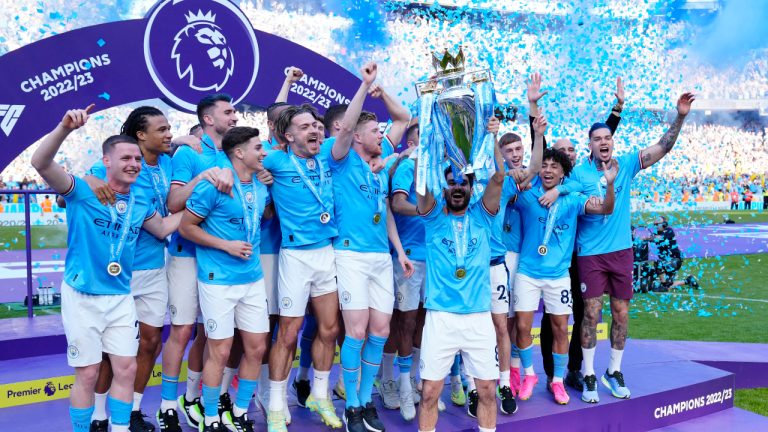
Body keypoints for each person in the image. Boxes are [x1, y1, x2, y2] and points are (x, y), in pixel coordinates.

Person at [30, 105, 181, 432]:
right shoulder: (82, 191)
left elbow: (164, 228)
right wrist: (64, 128)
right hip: (82, 296)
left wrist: (201, 199)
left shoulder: (140, 203)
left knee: (125, 369)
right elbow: (40, 163)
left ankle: (121, 428)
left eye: (137, 160)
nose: (134, 164)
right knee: (87, 373)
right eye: (126, 158)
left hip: (119, 297)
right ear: (106, 162)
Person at [415, 111, 537, 432]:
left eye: (463, 183)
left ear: (471, 188)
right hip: (440, 318)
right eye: (452, 182)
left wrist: (492, 136)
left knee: (486, 391)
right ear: (444, 188)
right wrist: (428, 142)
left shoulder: (483, 217)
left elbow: (498, 177)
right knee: (429, 394)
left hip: (478, 319)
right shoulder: (433, 219)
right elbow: (421, 187)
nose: (457, 187)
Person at [572, 92, 695, 404]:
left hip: (621, 252)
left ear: (613, 142)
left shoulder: (627, 164)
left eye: (607, 137)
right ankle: (588, 374)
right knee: (591, 312)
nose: (604, 141)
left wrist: (680, 116)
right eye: (597, 138)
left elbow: (662, 147)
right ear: (590, 144)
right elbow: (587, 207)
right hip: (590, 253)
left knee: (622, 312)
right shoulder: (579, 173)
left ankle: (613, 371)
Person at [329, 62, 416, 432]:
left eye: (380, 132)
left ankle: (365, 401)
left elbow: (404, 117)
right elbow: (347, 126)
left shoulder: (380, 164)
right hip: (349, 254)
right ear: (357, 137)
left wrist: (399, 250)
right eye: (374, 131)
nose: (381, 135)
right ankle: (351, 406)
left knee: (381, 331)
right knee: (358, 332)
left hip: (381, 257)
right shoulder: (342, 159)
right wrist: (365, 86)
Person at [86, 106, 175, 432]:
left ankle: (134, 410)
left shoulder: (168, 160)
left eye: (169, 129)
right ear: (141, 135)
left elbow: (163, 223)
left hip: (155, 267)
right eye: (162, 129)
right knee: (113, 350)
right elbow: (88, 179)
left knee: (151, 342)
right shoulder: (119, 160)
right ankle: (99, 415)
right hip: (120, 271)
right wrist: (92, 179)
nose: (168, 134)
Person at [179, 126, 272, 432]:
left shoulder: (261, 184)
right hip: (218, 279)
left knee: (257, 347)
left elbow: (261, 214)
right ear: (239, 153)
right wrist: (226, 245)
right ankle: (210, 416)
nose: (264, 153)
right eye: (258, 148)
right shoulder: (213, 186)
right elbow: (186, 227)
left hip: (252, 278)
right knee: (219, 349)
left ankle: (240, 410)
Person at [538, 77, 625, 394]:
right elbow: (541, 147)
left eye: (574, 149)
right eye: (564, 151)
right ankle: (551, 373)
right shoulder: (550, 177)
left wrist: (616, 109)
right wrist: (537, 116)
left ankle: (573, 369)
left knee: (576, 314)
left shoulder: (579, 176)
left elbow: (603, 140)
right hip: (552, 258)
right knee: (552, 317)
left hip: (580, 255)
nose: (571, 154)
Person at [513, 146, 616, 405]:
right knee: (523, 327)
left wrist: (610, 185)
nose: (548, 170)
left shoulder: (572, 200)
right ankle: (528, 375)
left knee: (561, 329)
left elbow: (605, 208)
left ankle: (557, 381)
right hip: (527, 273)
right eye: (544, 165)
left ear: (563, 174)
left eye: (554, 167)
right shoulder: (527, 196)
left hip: (558, 276)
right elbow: (504, 190)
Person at [162, 94, 242, 430]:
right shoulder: (189, 152)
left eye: (235, 111)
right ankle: (167, 405)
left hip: (219, 259)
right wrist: (202, 177)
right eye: (228, 112)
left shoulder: (233, 154)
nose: (235, 116)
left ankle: (192, 398)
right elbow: (173, 202)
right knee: (181, 331)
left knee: (213, 334)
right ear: (208, 119)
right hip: (186, 255)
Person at [262, 103, 342, 432]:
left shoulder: (326, 153)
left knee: (329, 329)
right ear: (287, 135)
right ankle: (276, 405)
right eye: (305, 127)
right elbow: (234, 157)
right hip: (294, 256)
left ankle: (320, 395)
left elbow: (355, 132)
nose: (314, 130)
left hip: (326, 252)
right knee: (288, 333)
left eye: (315, 125)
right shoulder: (275, 159)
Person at [650, 216, 699, 291]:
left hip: (674, 261)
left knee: (658, 264)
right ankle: (688, 281)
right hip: (667, 261)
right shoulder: (656, 233)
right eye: (655, 225)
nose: (656, 227)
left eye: (657, 225)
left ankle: (663, 286)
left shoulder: (669, 231)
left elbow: (658, 238)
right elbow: (653, 238)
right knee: (668, 284)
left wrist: (645, 238)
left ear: (664, 225)